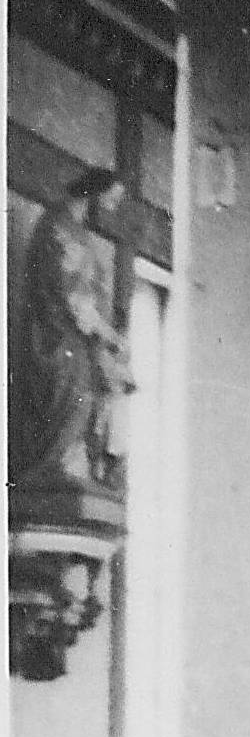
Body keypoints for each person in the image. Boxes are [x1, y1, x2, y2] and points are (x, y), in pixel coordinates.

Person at [11, 169, 132, 500]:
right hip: (60, 342)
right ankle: (55, 472)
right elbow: (77, 303)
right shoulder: (63, 231)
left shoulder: (65, 228)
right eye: (112, 198)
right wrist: (112, 338)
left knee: (81, 409)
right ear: (95, 193)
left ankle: (63, 470)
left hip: (64, 338)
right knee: (72, 403)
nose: (112, 207)